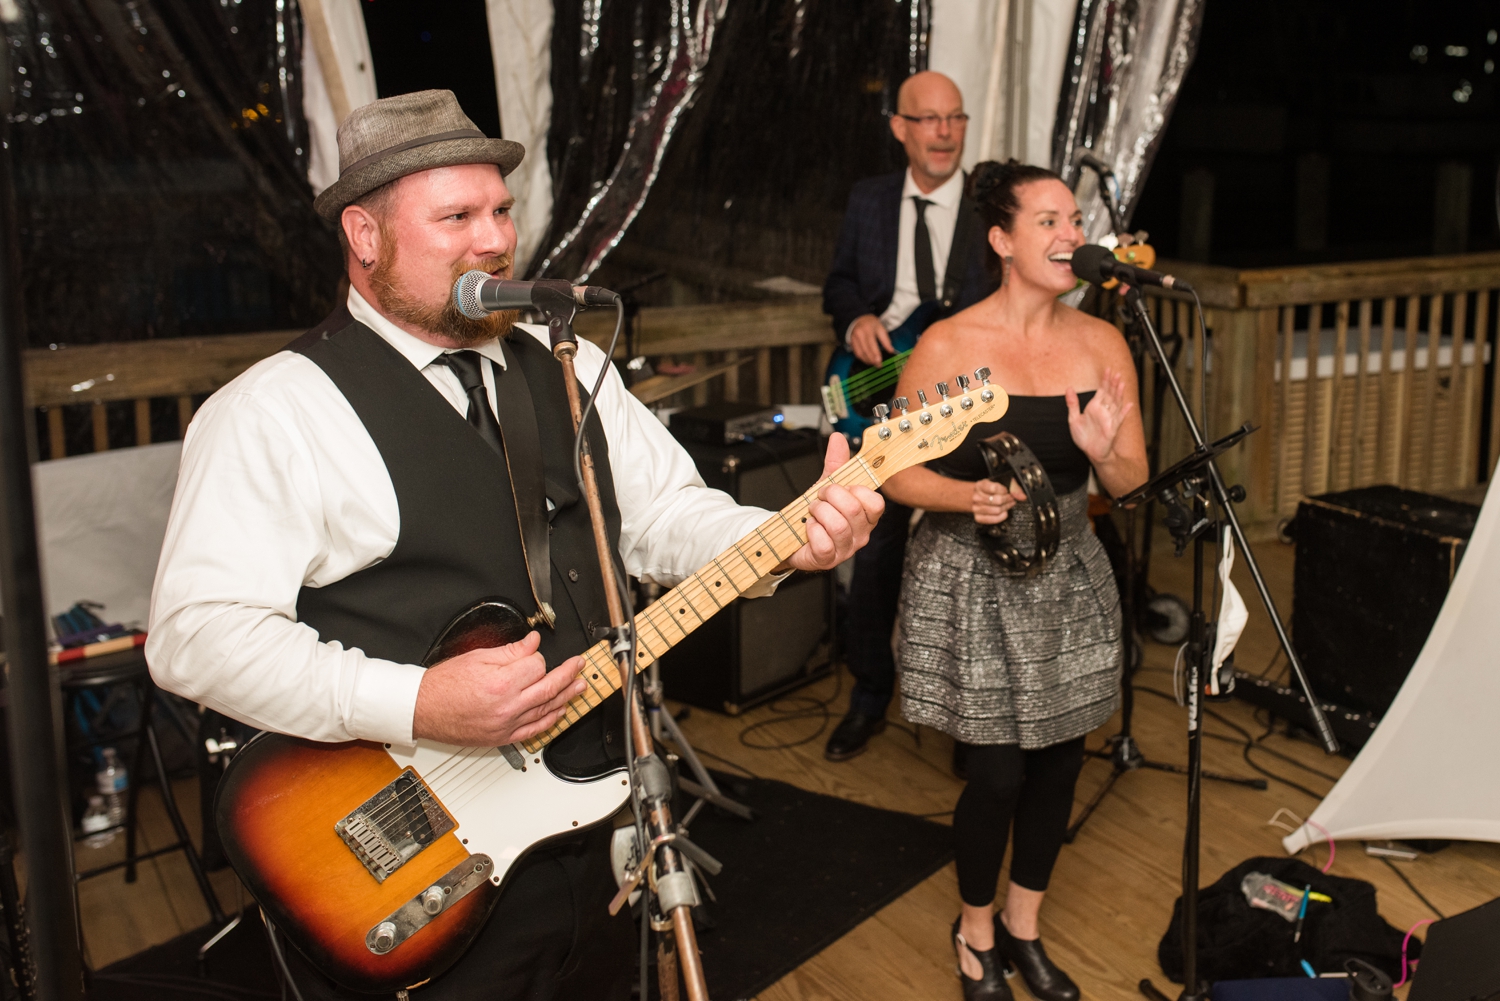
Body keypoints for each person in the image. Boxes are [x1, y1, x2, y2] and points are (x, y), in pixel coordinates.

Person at [147, 90, 883, 1000]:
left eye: (500, 210)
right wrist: (418, 701)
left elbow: (659, 517)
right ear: (364, 236)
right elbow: (196, 635)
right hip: (411, 856)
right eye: (456, 216)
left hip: (598, 819)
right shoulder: (274, 410)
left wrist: (785, 540)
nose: (494, 240)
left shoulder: (566, 364)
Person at [883, 160, 1148, 1001]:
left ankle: (1025, 926)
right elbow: (894, 475)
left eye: (1074, 220)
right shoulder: (948, 345)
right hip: (970, 576)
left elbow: (1132, 483)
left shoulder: (1103, 343)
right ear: (1001, 240)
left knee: (1060, 764)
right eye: (1048, 221)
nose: (1071, 234)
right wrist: (971, 494)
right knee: (996, 773)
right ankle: (975, 931)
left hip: (1067, 570)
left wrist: (1105, 448)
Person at [821, 70, 995, 762]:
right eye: (929, 120)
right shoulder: (868, 200)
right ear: (900, 128)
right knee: (876, 553)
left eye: (956, 118)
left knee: (971, 560)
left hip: (964, 406)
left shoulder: (990, 211)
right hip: (879, 399)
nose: (945, 132)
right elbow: (837, 281)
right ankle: (869, 694)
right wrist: (855, 315)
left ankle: (963, 716)